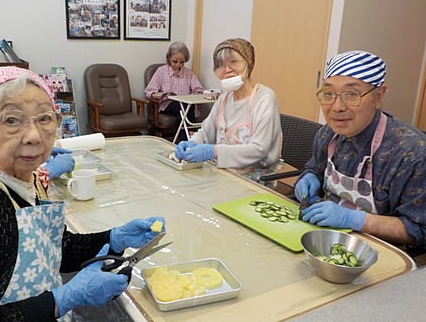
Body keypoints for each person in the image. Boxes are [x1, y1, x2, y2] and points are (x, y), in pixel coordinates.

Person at [0, 66, 166, 320]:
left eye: (44, 118)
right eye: (12, 120)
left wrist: (113, 239)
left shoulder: (25, 180)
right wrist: (63, 300)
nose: (34, 136)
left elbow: (53, 248)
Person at [295, 50, 426, 250]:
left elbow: (419, 229)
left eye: (351, 95)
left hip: (381, 255)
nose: (337, 107)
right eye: (329, 94)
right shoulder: (327, 134)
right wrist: (310, 177)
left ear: (379, 96)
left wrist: (355, 220)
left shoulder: (412, 154)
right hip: (324, 240)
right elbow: (316, 169)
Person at [174, 38, 282, 172]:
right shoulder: (224, 98)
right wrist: (192, 143)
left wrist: (213, 151)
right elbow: (206, 133)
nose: (227, 69)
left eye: (234, 62)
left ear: (249, 64)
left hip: (256, 179)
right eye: (221, 64)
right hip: (223, 172)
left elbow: (259, 149)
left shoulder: (265, 98)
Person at [145, 41, 203, 127]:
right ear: (169, 58)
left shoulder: (188, 73)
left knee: (185, 109)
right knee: (186, 108)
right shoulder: (161, 71)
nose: (178, 65)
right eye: (175, 61)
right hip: (167, 105)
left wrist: (197, 94)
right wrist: (155, 95)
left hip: (186, 104)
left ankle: (183, 136)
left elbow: (198, 89)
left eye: (182, 62)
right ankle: (189, 136)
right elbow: (149, 92)